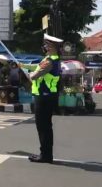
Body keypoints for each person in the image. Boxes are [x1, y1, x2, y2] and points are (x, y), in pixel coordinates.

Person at [22, 33, 63, 163]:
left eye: (46, 44)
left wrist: (28, 74)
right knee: (45, 127)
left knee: (43, 127)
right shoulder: (50, 59)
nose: (44, 46)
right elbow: (36, 68)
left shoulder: (50, 62)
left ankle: (45, 155)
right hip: (47, 96)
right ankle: (46, 154)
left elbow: (34, 76)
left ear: (51, 47)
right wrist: (23, 66)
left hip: (44, 97)